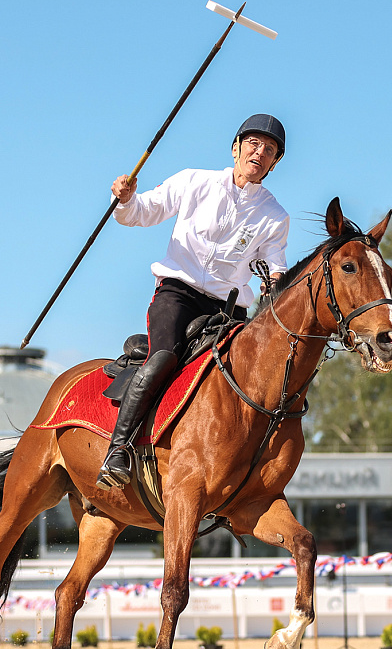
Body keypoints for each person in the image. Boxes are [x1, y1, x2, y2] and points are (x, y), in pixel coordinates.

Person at [95, 114, 290, 490]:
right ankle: (117, 451)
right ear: (235, 147)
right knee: (165, 356)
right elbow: (140, 213)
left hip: (228, 308)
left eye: (269, 150)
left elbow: (274, 264)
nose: (259, 152)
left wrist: (275, 283)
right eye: (253, 143)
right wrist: (126, 197)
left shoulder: (275, 216)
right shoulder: (193, 181)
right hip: (177, 294)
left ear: (275, 162)